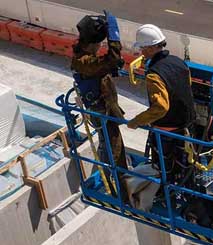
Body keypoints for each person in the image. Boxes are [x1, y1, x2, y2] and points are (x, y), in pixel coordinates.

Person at [127, 24, 197, 185]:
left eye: (143, 48)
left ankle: (168, 193)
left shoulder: (154, 75)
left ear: (151, 48)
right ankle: (185, 189)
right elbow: (187, 85)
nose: (142, 53)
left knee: (165, 168)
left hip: (167, 131)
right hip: (187, 125)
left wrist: (137, 121)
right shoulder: (179, 62)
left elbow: (160, 107)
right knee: (186, 164)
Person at [71, 11, 127, 197]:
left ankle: (117, 176)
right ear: (92, 44)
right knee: (112, 145)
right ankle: (117, 185)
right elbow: (111, 59)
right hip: (101, 110)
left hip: (105, 107)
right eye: (100, 44)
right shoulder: (84, 62)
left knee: (110, 142)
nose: (100, 47)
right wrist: (114, 35)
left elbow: (105, 67)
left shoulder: (85, 58)